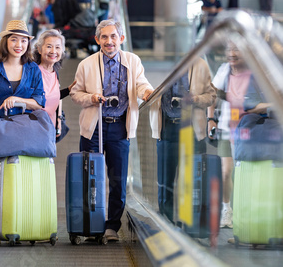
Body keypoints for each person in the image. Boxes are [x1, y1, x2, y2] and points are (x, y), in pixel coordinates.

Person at [70, 19, 154, 241]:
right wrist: (91, 98)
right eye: (104, 37)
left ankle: (111, 227)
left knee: (117, 179)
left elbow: (141, 83)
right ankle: (90, 225)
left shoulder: (133, 61)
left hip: (119, 128)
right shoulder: (86, 64)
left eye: (113, 36)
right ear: (97, 40)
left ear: (121, 39)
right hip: (93, 128)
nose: (109, 41)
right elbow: (75, 93)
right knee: (89, 177)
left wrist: (146, 92)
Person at [150, 58, 216, 223]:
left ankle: (191, 222)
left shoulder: (200, 64)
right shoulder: (159, 64)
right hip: (166, 128)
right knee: (165, 181)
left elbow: (212, 96)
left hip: (192, 130)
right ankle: (167, 221)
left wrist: (195, 99)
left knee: (192, 179)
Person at [207, 43, 252, 229]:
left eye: (237, 49)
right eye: (229, 49)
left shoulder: (254, 72)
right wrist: (210, 118)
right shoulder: (224, 70)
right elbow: (212, 94)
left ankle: (245, 211)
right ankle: (227, 209)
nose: (232, 54)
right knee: (226, 171)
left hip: (248, 128)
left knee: (244, 172)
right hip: (227, 127)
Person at [32, 29, 76, 137]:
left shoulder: (54, 72)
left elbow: (51, 96)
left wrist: (68, 90)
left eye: (57, 47)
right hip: (32, 128)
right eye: (49, 46)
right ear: (39, 49)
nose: (53, 51)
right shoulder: (32, 72)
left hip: (49, 128)